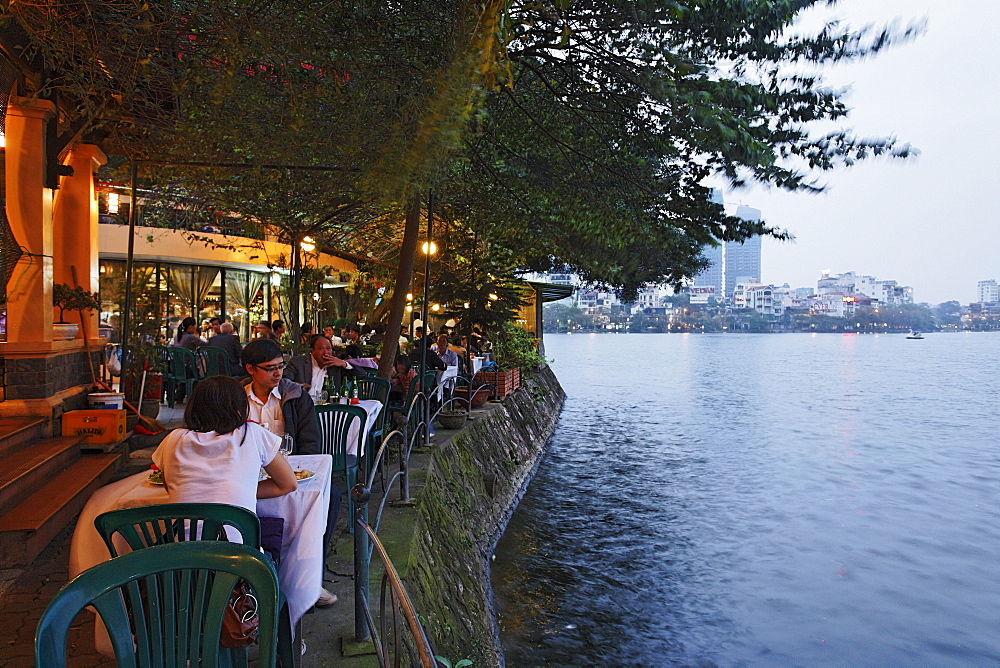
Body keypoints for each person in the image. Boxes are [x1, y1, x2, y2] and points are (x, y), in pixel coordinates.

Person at [241, 338, 339, 607]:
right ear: (251, 369)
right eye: (270, 368)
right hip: (245, 473)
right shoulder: (236, 398)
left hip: (290, 471)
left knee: (333, 498)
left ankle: (310, 576)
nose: (278, 373)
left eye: (281, 367)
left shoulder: (295, 396)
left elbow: (310, 442)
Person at [152, 375, 297, 514]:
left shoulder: (174, 439)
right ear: (239, 407)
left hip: (183, 538)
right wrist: (241, 489)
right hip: (237, 537)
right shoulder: (251, 433)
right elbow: (288, 484)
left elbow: (170, 486)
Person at [284, 334, 366, 400]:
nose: (325, 352)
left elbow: (362, 375)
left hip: (328, 408)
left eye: (328, 348)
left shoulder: (336, 366)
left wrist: (344, 364)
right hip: (301, 406)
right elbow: (284, 381)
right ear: (312, 350)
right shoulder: (298, 362)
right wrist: (300, 387)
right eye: (321, 349)